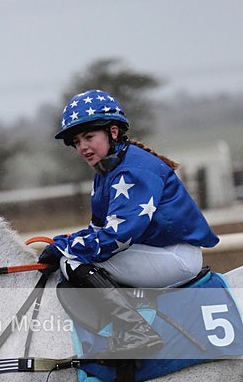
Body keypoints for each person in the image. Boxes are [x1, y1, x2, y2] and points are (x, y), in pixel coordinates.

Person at [39, 89, 219, 357]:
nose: (82, 147)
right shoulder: (107, 169)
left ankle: (137, 332)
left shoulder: (132, 169)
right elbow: (98, 231)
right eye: (76, 142)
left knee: (72, 261)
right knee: (72, 255)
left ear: (113, 132)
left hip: (175, 258)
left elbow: (118, 236)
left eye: (88, 137)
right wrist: (65, 242)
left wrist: (65, 247)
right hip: (155, 252)